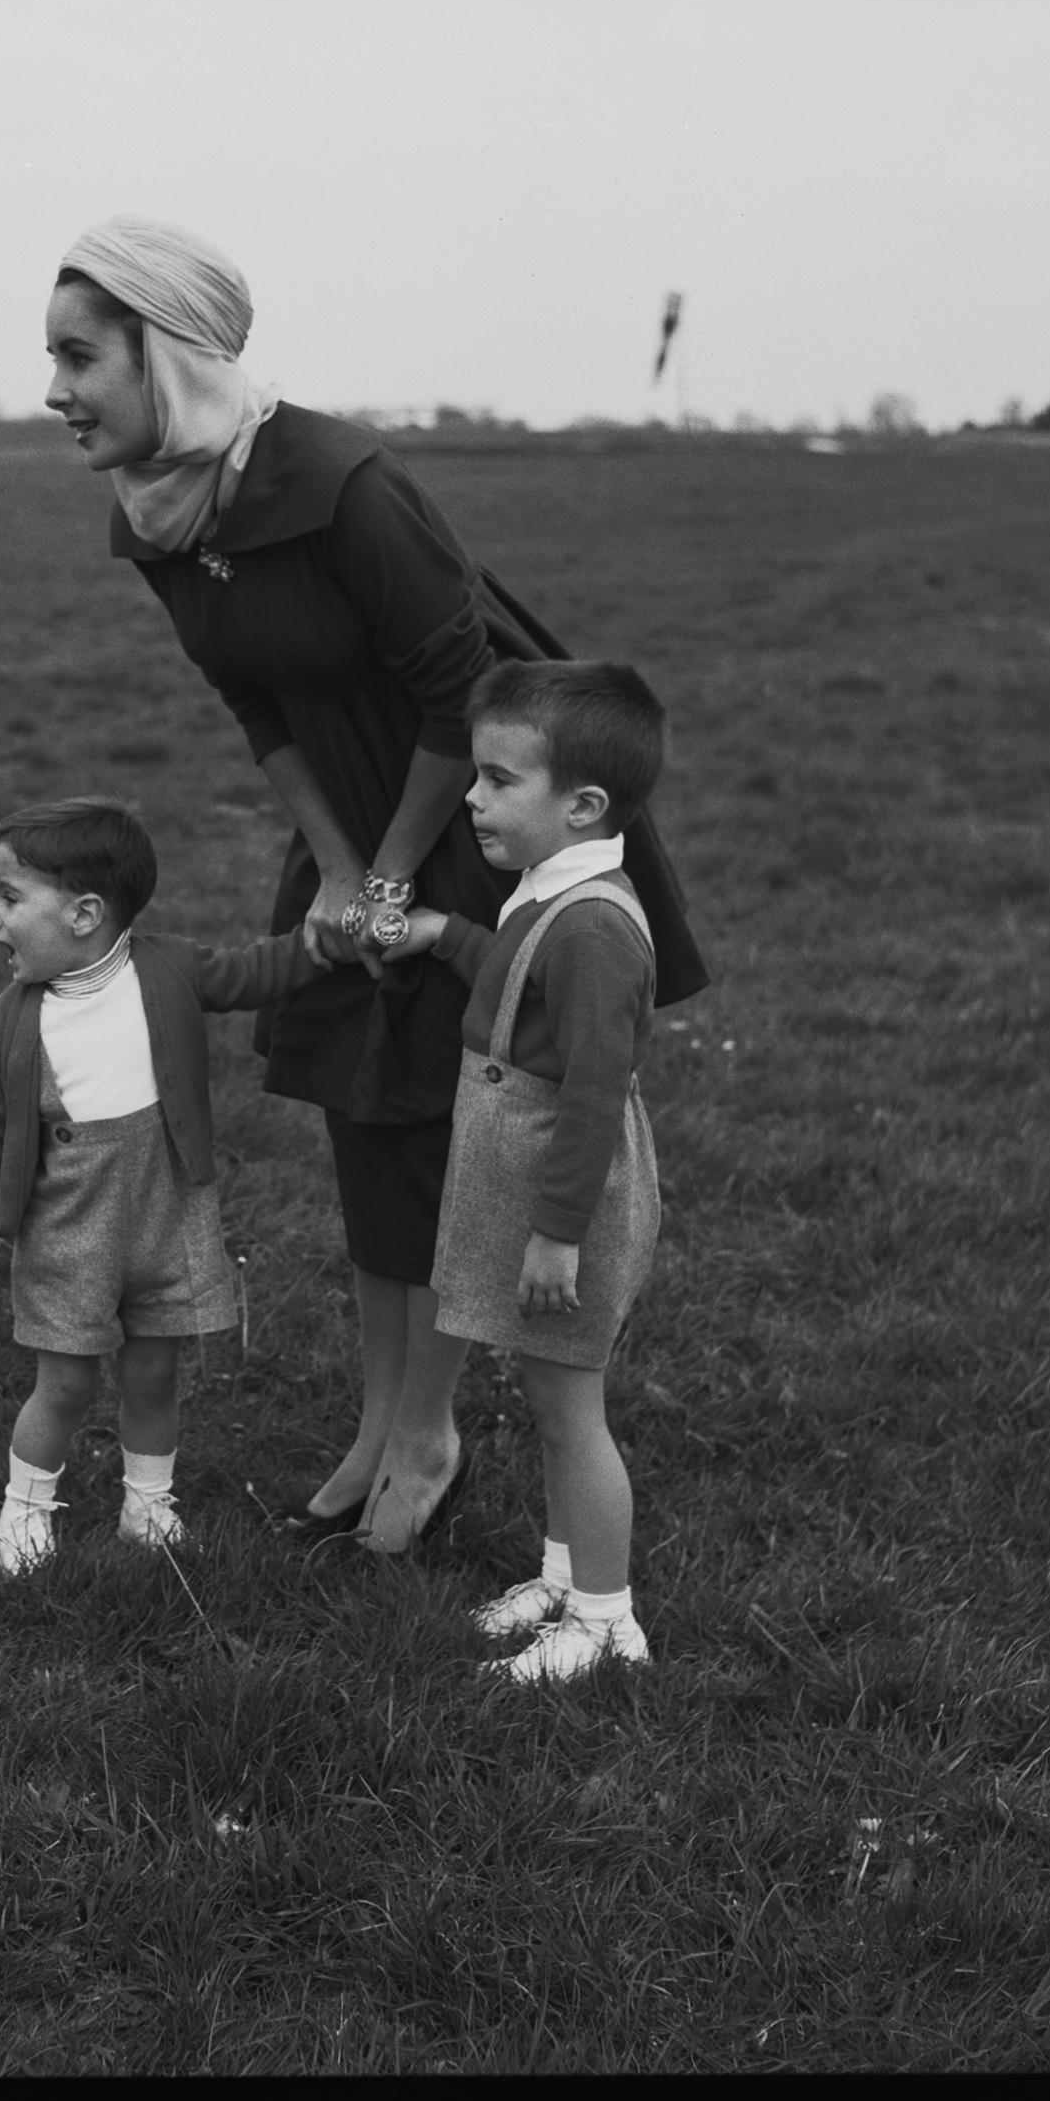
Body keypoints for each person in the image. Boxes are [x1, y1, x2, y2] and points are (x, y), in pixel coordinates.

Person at [45, 222, 702, 1566]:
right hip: (352, 819)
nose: (53, 390)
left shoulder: (346, 485)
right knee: (359, 1114)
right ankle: (379, 1426)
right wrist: (337, 868)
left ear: (165, 359)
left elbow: (461, 692)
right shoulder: (161, 506)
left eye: (77, 358)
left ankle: (426, 1439)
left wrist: (398, 865)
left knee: (421, 1125)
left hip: (462, 798)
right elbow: (254, 701)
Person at [379, 663, 667, 1690]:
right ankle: (560, 1574)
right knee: (547, 1397)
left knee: (569, 1408)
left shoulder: (592, 926)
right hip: (534, 1191)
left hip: (563, 1202)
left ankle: (603, 1622)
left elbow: (592, 1091)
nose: (471, 797)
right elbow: (517, 979)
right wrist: (441, 935)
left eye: (497, 780)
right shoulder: (552, 895)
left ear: (580, 805)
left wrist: (557, 1231)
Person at [0, 796, 305, 1578]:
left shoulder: (167, 967)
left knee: (153, 1370)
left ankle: (148, 1505)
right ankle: (27, 1508)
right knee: (65, 1381)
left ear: (83, 914)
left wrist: (330, 941)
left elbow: (257, 971)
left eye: (7, 899)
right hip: (71, 1228)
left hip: (168, 1212)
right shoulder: (12, 1020)